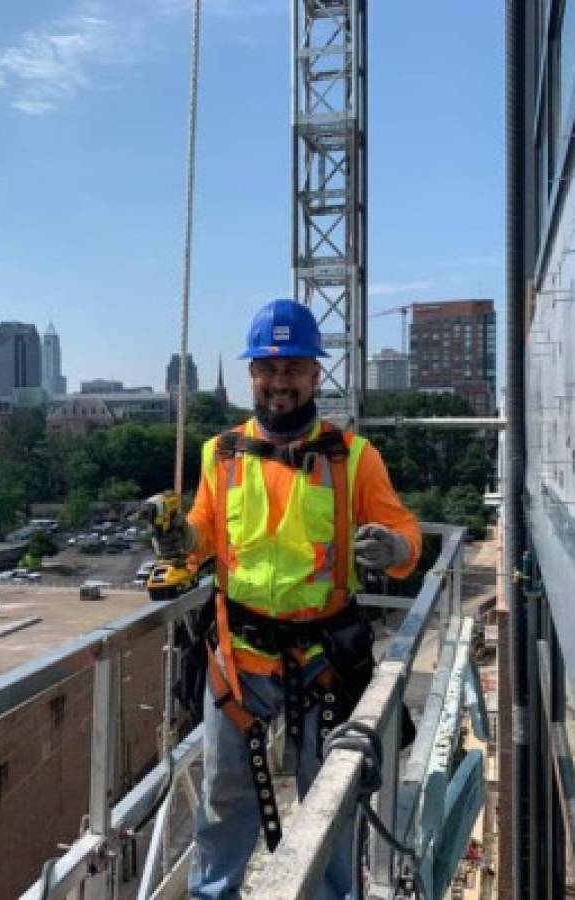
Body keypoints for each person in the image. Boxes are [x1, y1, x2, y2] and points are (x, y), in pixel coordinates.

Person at [155, 299, 422, 899]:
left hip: (321, 660)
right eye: (269, 368)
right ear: (253, 373)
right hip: (240, 656)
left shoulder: (353, 457)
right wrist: (182, 539)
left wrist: (390, 547)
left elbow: (406, 536)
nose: (280, 381)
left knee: (328, 801)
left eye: (293, 367)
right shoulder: (220, 454)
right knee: (226, 799)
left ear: (314, 374)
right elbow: (203, 535)